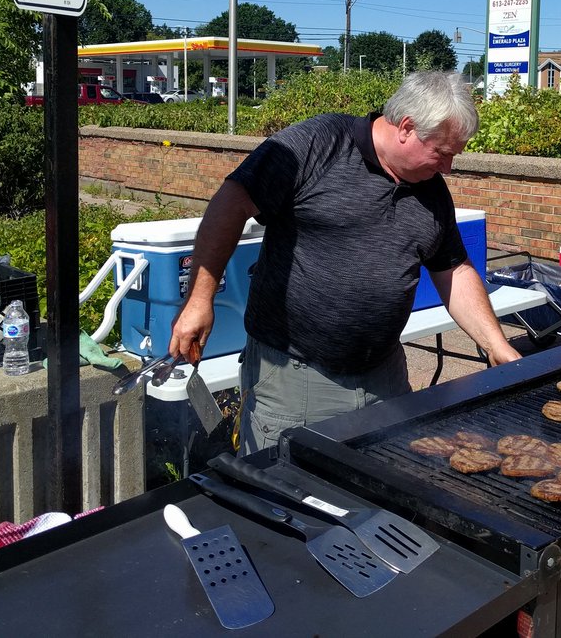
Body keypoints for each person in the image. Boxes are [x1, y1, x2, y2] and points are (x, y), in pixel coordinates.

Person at [168, 71, 522, 454]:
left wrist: (495, 345)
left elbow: (452, 268)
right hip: (297, 378)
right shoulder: (319, 144)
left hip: (385, 374)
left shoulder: (431, 191)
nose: (449, 167)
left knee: (381, 488)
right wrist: (200, 300)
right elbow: (231, 202)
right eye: (443, 152)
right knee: (288, 500)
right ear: (406, 127)